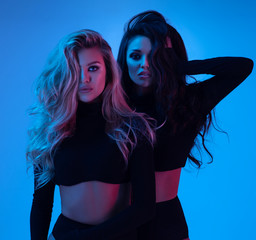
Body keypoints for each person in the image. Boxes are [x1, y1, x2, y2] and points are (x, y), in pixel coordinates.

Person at [117, 11, 254, 240]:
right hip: (116, 220)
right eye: (136, 56)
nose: (145, 65)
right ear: (124, 60)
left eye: (155, 56)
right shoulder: (113, 107)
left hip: (165, 222)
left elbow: (242, 67)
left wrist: (179, 67)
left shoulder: (188, 103)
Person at [27, 29, 156, 240]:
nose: (84, 79)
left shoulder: (133, 129)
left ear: (108, 71)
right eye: (75, 70)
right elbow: (42, 204)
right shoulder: (51, 133)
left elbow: (145, 208)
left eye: (93, 68)